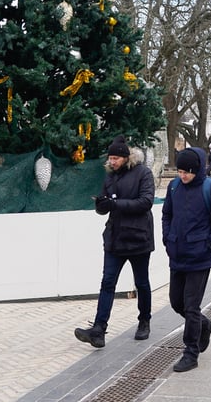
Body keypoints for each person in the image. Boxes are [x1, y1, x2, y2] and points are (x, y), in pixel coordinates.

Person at [75, 135, 156, 349]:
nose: (112, 162)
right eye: (110, 158)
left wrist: (115, 203)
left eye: (116, 158)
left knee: (142, 283)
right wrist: (101, 205)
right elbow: (104, 207)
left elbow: (146, 202)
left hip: (138, 238)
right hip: (115, 239)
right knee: (107, 283)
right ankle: (99, 330)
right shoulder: (110, 176)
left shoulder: (143, 173)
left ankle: (144, 321)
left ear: (126, 157)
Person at [162, 147, 211, 373]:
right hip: (177, 253)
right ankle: (205, 324)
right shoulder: (174, 187)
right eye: (180, 171)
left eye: (187, 172)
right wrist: (167, 238)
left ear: (197, 170)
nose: (182, 176)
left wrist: (209, 243)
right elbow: (167, 214)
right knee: (176, 303)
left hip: (199, 256)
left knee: (191, 307)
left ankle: (190, 353)